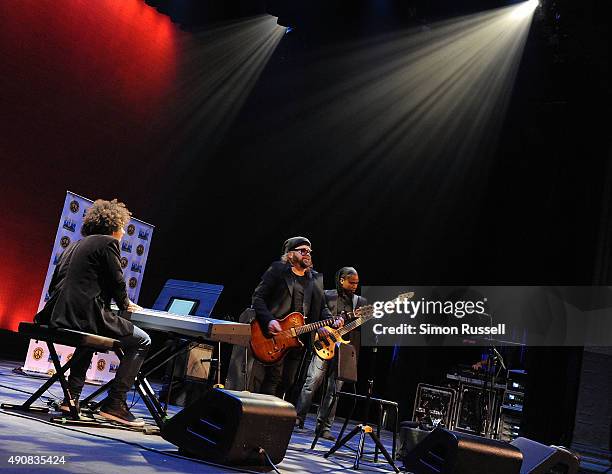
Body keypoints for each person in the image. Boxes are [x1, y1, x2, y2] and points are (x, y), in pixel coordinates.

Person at [34, 199, 151, 427]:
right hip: (83, 316)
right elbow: (117, 282)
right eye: (123, 230)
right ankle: (115, 403)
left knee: (90, 338)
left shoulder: (75, 245)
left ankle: (72, 398)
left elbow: (56, 285)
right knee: (143, 340)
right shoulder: (108, 244)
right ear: (116, 227)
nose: (123, 235)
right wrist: (126, 304)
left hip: (56, 315)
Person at [252, 236, 337, 399]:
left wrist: (331, 321)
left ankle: (276, 416)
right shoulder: (278, 270)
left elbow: (322, 308)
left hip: (300, 339)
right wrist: (269, 320)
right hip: (276, 336)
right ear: (290, 254)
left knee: (288, 381)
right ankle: (264, 417)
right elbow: (258, 298)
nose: (308, 254)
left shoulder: (316, 279)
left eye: (309, 251)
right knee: (272, 378)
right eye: (303, 250)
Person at [295, 267, 366, 440]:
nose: (355, 285)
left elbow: (359, 327)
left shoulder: (360, 302)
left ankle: (324, 427)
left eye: (357, 282)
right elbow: (315, 317)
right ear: (342, 280)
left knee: (334, 390)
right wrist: (321, 328)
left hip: (344, 349)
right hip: (324, 345)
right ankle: (298, 418)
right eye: (352, 282)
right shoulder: (327, 295)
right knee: (312, 382)